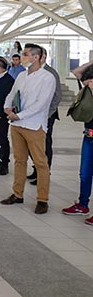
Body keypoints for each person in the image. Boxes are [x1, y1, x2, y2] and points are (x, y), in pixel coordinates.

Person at [0, 44, 56, 215]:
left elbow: (41, 104)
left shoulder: (47, 78)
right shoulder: (22, 75)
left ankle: (42, 199)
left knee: (40, 163)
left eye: (25, 55)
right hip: (17, 125)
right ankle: (18, 194)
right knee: (19, 160)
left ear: (36, 57)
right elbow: (12, 93)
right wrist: (7, 108)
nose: (22, 57)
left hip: (34, 125)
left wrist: (20, 115)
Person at [62, 63, 93, 225]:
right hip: (89, 138)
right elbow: (76, 72)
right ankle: (82, 205)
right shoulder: (88, 90)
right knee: (85, 174)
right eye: (89, 82)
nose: (89, 85)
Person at [28, 47, 62, 186]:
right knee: (33, 144)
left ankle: (44, 173)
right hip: (32, 115)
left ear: (42, 57)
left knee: (45, 144)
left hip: (46, 116)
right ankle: (36, 169)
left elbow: (57, 95)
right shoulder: (32, 72)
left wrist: (48, 113)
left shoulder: (51, 73)